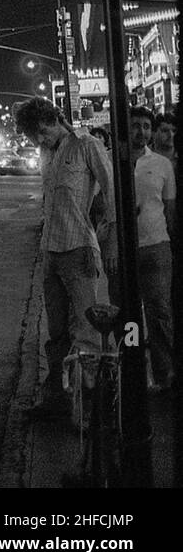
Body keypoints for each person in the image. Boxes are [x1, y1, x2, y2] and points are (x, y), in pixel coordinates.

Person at [15, 98, 115, 420]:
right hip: (51, 251)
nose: (40, 140)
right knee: (56, 333)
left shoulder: (88, 146)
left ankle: (88, 413)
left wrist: (109, 241)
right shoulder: (46, 153)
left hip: (79, 249)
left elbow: (112, 194)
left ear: (56, 118)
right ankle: (55, 401)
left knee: (86, 331)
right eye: (34, 137)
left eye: (42, 132)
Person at [130, 106, 175, 392]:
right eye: (136, 125)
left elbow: (169, 207)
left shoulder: (161, 164)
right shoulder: (112, 161)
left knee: (159, 312)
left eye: (147, 126)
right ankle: (132, 369)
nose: (142, 132)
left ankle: (165, 373)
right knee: (127, 314)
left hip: (157, 246)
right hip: (123, 250)